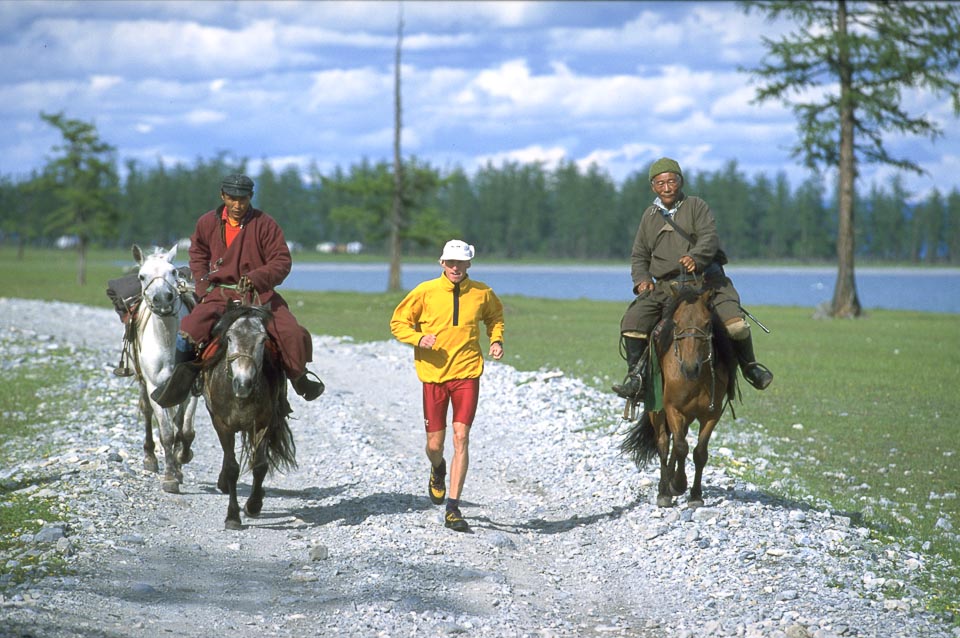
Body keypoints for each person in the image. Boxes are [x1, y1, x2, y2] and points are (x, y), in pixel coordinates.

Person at [152, 173, 324, 407]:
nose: (237, 204)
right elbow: (198, 253)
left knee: (292, 333)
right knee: (187, 332)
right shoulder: (207, 223)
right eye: (232, 198)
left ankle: (298, 379)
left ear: (250, 198)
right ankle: (178, 384)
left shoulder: (265, 224)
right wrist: (203, 285)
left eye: (242, 199)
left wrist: (257, 277)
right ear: (223, 196)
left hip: (259, 295)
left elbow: (282, 261)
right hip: (219, 293)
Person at [612, 157, 773, 400]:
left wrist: (696, 257)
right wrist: (642, 279)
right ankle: (637, 378)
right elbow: (640, 254)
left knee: (736, 326)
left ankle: (750, 368)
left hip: (707, 283)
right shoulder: (650, 215)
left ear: (680, 182)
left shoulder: (697, 206)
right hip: (667, 288)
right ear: (653, 186)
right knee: (632, 322)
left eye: (671, 181)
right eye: (660, 183)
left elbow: (709, 238)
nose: (666, 188)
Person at [390, 239, 505, 533]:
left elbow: (495, 318)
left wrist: (495, 340)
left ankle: (453, 508)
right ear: (442, 263)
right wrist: (418, 338)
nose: (455, 267)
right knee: (434, 445)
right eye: (450, 262)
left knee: (461, 437)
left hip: (467, 372)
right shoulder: (425, 291)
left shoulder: (482, 293)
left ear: (469, 264)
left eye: (461, 262)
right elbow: (398, 323)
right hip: (433, 375)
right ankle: (437, 468)